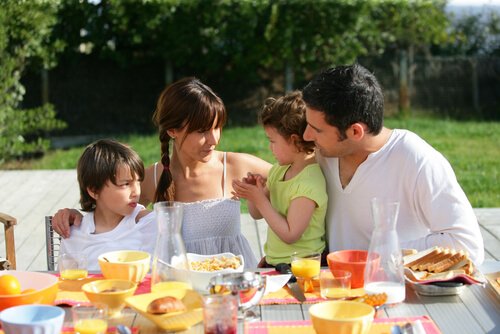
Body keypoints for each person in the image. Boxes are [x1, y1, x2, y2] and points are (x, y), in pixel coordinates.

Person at [52, 77, 272, 269]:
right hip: (178, 290)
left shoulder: (236, 166)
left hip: (234, 283)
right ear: (172, 130)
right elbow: (109, 213)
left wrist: (277, 254)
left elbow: (296, 183)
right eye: (202, 130)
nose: (214, 139)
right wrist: (76, 215)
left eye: (217, 127)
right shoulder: (150, 179)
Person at [301, 64, 484, 265]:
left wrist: (380, 254)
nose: (306, 136)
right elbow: (280, 180)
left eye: (316, 130)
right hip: (333, 289)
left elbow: (467, 246)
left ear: (355, 132)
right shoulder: (325, 153)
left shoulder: (416, 160)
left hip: (400, 292)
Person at [232, 91, 327, 267]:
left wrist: (260, 199)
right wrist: (256, 194)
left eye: (273, 141)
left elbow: (291, 234)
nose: (270, 147)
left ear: (294, 140)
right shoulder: (279, 170)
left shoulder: (309, 183)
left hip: (302, 268)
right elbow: (257, 214)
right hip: (278, 263)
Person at [59, 139, 156, 270]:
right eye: (125, 184)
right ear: (94, 190)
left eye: (138, 182)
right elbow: (67, 284)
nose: (136, 192)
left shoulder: (149, 224)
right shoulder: (74, 236)